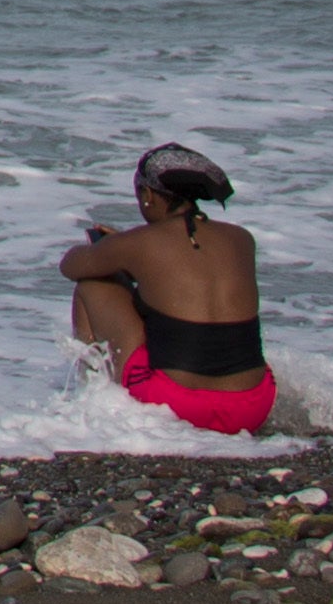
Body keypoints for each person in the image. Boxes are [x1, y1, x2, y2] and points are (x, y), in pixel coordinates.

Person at [59, 142, 270, 434]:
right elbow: (187, 271)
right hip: (251, 407)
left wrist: (113, 249)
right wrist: (130, 252)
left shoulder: (138, 243)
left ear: (147, 195)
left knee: (92, 283)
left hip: (174, 406)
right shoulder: (242, 239)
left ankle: (93, 403)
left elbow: (71, 266)